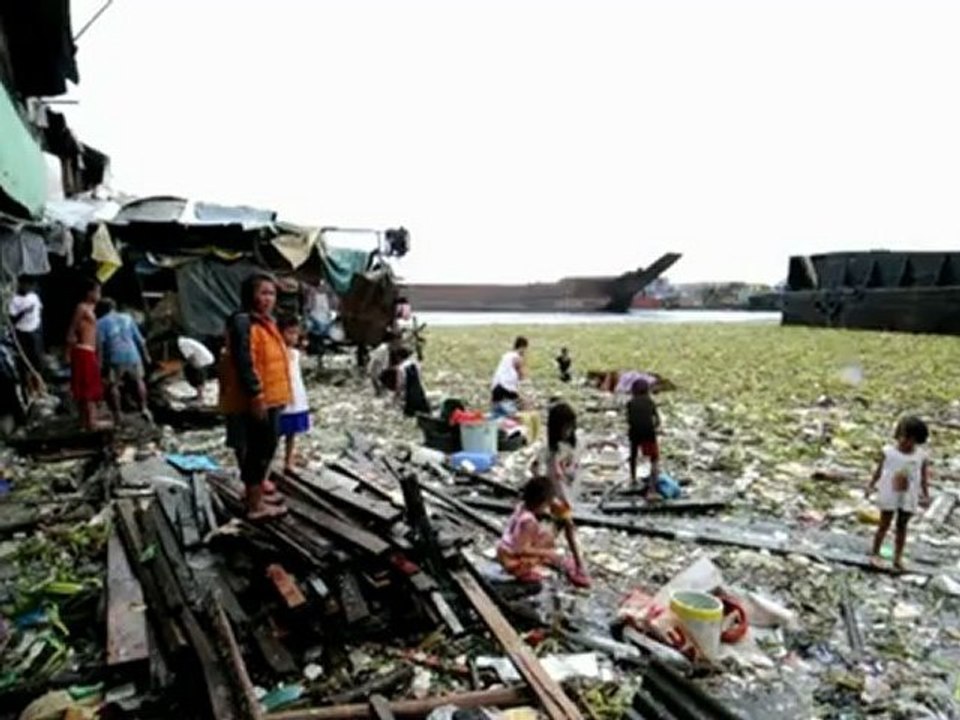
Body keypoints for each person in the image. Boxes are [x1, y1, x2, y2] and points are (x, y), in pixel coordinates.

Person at [219, 273, 292, 520]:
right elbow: (244, 361)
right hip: (259, 397)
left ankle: (255, 494)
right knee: (260, 450)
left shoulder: (264, 322)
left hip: (271, 396)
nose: (268, 299)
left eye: (271, 294)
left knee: (264, 448)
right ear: (250, 295)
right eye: (263, 293)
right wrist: (256, 393)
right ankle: (255, 506)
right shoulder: (243, 322)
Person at [532, 401, 590, 587]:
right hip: (556, 498)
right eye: (564, 428)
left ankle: (536, 554)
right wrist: (543, 485)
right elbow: (534, 466)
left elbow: (576, 464)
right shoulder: (551, 450)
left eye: (570, 427)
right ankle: (580, 565)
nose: (568, 431)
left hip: (568, 496)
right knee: (569, 528)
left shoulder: (575, 444)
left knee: (555, 531)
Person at [866, 416, 931, 572]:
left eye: (911, 439)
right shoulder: (889, 452)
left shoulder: (920, 456)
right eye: (904, 436)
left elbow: (923, 477)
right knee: (884, 524)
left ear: (918, 440)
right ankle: (875, 553)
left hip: (908, 496)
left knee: (902, 526)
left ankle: (898, 557)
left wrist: (925, 495)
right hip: (890, 494)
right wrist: (871, 485)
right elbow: (879, 471)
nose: (906, 441)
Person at [497, 476, 564, 583]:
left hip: (503, 551)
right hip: (510, 560)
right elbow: (521, 549)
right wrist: (547, 553)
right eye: (547, 504)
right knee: (547, 547)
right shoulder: (529, 522)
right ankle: (525, 572)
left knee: (547, 536)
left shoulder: (522, 506)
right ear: (541, 502)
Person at [96, 298, 152, 423]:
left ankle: (117, 414)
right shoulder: (128, 318)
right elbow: (140, 340)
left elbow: (100, 345)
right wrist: (146, 355)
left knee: (113, 385)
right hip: (133, 354)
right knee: (139, 381)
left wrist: (99, 364)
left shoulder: (100, 323)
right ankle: (144, 408)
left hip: (115, 356)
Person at [66, 278, 104, 430]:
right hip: (83, 350)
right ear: (89, 293)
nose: (99, 295)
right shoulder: (82, 308)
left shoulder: (91, 308)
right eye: (97, 291)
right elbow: (71, 332)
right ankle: (91, 421)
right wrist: (68, 352)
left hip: (88, 350)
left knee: (89, 387)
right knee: (87, 388)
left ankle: (85, 421)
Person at [277, 315, 310, 473]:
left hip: (296, 395)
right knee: (276, 433)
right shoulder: (277, 352)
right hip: (282, 394)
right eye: (289, 333)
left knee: (292, 432)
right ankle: (268, 465)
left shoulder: (295, 353)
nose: (293, 337)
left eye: (296, 333)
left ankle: (288, 462)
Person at [7, 276, 44, 393]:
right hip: (22, 334)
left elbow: (39, 311)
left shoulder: (34, 297)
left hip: (34, 332)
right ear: (20, 284)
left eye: (31, 285)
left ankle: (39, 389)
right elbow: (12, 320)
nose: (29, 287)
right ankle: (29, 390)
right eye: (26, 285)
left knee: (37, 362)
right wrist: (24, 312)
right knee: (25, 363)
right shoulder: (15, 300)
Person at [627, 378, 661, 497]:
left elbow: (630, 420)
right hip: (648, 432)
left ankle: (633, 478)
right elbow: (657, 420)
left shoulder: (630, 403)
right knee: (654, 459)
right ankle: (652, 489)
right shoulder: (650, 402)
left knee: (633, 456)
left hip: (634, 432)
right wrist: (655, 427)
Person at [491, 336, 528, 414]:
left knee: (496, 412)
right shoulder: (517, 357)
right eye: (525, 349)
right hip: (506, 388)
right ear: (522, 347)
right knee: (519, 409)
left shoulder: (506, 355)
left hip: (496, 386)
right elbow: (521, 376)